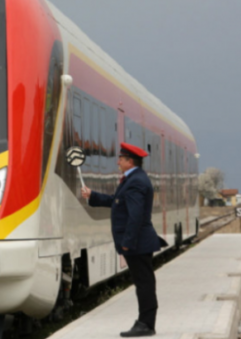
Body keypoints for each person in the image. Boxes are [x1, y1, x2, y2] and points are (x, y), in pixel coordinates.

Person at [80, 142, 165, 337]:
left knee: (144, 284)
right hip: (139, 242)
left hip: (138, 243)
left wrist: (127, 241)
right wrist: (93, 196)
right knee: (144, 283)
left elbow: (135, 216)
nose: (117, 161)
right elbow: (116, 201)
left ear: (130, 161)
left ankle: (146, 324)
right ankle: (145, 322)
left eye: (121, 158)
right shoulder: (133, 179)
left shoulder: (135, 182)